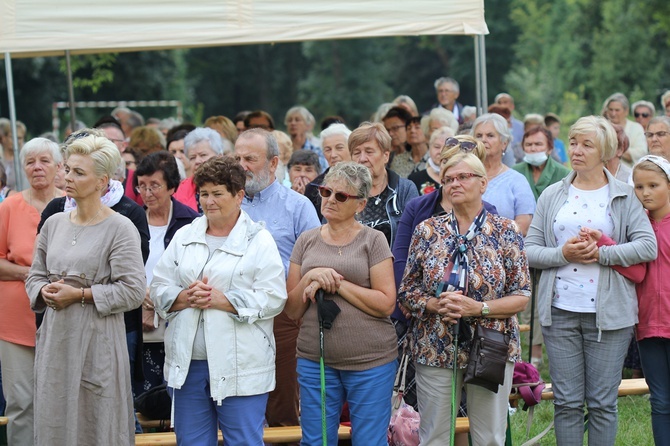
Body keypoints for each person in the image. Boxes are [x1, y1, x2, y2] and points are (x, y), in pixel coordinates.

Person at [525, 116, 657, 446]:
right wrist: (563, 254)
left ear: (605, 151)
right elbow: (529, 250)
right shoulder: (552, 194)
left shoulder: (626, 195)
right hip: (560, 312)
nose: (577, 150)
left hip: (610, 316)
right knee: (567, 403)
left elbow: (647, 246)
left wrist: (602, 254)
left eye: (587, 144)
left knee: (602, 404)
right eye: (572, 142)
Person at [150, 156, 285, 444]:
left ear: (238, 196)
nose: (208, 201)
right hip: (188, 365)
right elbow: (159, 285)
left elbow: (274, 296)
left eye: (217, 193)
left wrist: (224, 300)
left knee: (244, 442)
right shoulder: (184, 236)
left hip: (240, 365)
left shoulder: (259, 240)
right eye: (203, 194)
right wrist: (184, 297)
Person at [398, 151, 531, 445]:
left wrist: (478, 308)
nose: (454, 184)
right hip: (435, 344)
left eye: (462, 177)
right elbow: (407, 291)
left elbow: (521, 295)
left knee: (490, 437)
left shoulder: (506, 231)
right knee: (434, 436)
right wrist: (434, 304)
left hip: (491, 344)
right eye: (448, 180)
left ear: (483, 184)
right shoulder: (428, 230)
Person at [26, 134, 146, 445]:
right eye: (68, 169)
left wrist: (80, 295)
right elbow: (34, 276)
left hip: (98, 343)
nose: (68, 178)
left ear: (102, 181)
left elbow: (133, 291)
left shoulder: (121, 227)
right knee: (53, 423)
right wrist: (43, 291)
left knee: (97, 426)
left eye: (79, 172)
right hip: (55, 341)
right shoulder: (54, 223)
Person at [285, 161, 397, 445]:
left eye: (341, 196)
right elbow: (292, 309)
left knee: (369, 442)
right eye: (325, 192)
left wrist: (338, 283)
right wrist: (311, 274)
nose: (330, 200)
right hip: (315, 360)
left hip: (370, 362)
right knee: (316, 441)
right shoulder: (306, 241)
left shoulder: (374, 241)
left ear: (360, 205)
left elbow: (386, 303)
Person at [234, 129, 321, 436]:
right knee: (236, 405)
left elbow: (316, 263)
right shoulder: (226, 205)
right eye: (238, 158)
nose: (242, 165)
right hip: (231, 312)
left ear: (272, 163)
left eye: (250, 159)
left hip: (283, 314)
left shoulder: (297, 207)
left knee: (282, 403)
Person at [0, 137, 64, 446]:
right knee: (21, 403)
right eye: (30, 162)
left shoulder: (72, 205)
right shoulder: (10, 206)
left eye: (44, 161)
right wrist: (32, 276)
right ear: (22, 169)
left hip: (64, 316)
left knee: (61, 401)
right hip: (15, 322)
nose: (37, 167)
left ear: (59, 167)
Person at [134, 152, 199, 393]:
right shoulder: (130, 220)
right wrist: (141, 298)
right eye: (142, 186)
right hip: (137, 318)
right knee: (142, 394)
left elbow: (197, 271)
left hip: (179, 317)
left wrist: (157, 302)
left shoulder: (191, 222)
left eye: (154, 186)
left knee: (179, 393)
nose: (147, 193)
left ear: (172, 186)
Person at [630, 155, 670, 445]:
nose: (645, 193)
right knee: (660, 400)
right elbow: (633, 269)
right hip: (646, 325)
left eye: (653, 185)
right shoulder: (635, 225)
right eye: (639, 186)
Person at [350, 122, 418, 249]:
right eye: (356, 153)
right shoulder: (343, 193)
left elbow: (415, 238)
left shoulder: (405, 189)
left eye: (369, 152)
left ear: (385, 156)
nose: (362, 158)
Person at [472, 113, 535, 235]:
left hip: (503, 249)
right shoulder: (463, 176)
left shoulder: (517, 181)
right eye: (479, 136)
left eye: (490, 135)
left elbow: (523, 226)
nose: (483, 140)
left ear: (504, 143)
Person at [305, 123, 352, 221]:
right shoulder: (314, 188)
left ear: (351, 148)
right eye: (328, 150)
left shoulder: (365, 181)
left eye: (339, 148)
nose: (333, 155)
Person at [173, 127, 226, 212]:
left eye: (203, 155)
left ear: (219, 157)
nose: (197, 161)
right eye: (192, 157)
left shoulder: (232, 185)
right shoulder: (180, 190)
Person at [513, 126, 571, 201]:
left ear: (550, 148)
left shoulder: (564, 174)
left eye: (538, 144)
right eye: (528, 144)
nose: (533, 149)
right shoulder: (515, 172)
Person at [602, 92, 647, 168]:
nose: (613, 113)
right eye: (611, 110)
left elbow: (640, 153)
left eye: (617, 110)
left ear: (626, 111)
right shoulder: (601, 127)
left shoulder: (636, 128)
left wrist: (613, 149)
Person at [408, 126, 454, 195]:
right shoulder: (415, 178)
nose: (441, 151)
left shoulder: (459, 178)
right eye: (437, 147)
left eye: (446, 147)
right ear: (429, 148)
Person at [284, 106, 327, 171]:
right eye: (289, 120)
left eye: (297, 120)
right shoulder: (282, 150)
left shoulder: (316, 151)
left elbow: (322, 174)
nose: (293, 123)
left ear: (308, 125)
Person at [0, 119, 28, 190]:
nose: (16, 141)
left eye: (19, 138)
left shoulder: (26, 159)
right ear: (4, 138)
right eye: (12, 137)